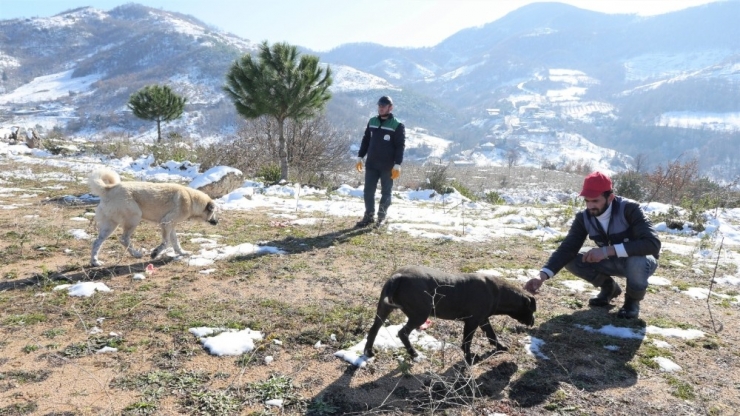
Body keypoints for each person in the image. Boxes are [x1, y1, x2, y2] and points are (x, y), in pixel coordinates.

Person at [524, 171, 661, 319]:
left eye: (595, 201)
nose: (590, 206)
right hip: (611, 262)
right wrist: (542, 276)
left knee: (637, 260)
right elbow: (567, 249)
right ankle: (609, 288)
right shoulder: (583, 218)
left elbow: (652, 244)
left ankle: (632, 302)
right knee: (571, 258)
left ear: (611, 197)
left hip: (641, 263)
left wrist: (607, 251)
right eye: (587, 201)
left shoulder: (630, 209)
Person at [355, 95, 406, 228]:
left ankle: (381, 218)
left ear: (390, 107)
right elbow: (366, 140)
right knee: (368, 191)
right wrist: (360, 156)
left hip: (387, 166)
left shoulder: (397, 125)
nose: (381, 108)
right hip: (371, 164)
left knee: (386, 192)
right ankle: (368, 216)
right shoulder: (372, 121)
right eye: (379, 105)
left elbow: (400, 146)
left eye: (384, 106)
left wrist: (397, 164)